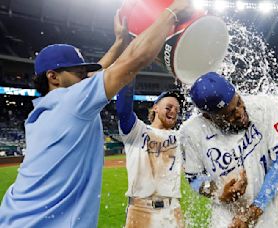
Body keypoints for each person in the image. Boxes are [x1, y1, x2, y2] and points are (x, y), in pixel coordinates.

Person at [0, 1, 191, 227]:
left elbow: (97, 71)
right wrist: (173, 11)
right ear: (53, 77)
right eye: (79, 73)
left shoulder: (46, 108)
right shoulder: (72, 101)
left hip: (15, 216)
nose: (86, 77)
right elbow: (135, 60)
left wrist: (120, 42)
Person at [180, 72, 278, 228]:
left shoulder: (263, 107)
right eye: (229, 114)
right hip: (226, 220)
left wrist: (256, 207)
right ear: (208, 117)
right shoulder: (191, 132)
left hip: (269, 217)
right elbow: (194, 179)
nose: (240, 113)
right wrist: (218, 192)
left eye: (239, 102)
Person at [116, 83, 185, 227]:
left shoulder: (180, 136)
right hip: (140, 210)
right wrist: (130, 70)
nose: (173, 111)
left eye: (177, 110)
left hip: (172, 210)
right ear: (155, 108)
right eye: (169, 107)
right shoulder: (137, 131)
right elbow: (123, 110)